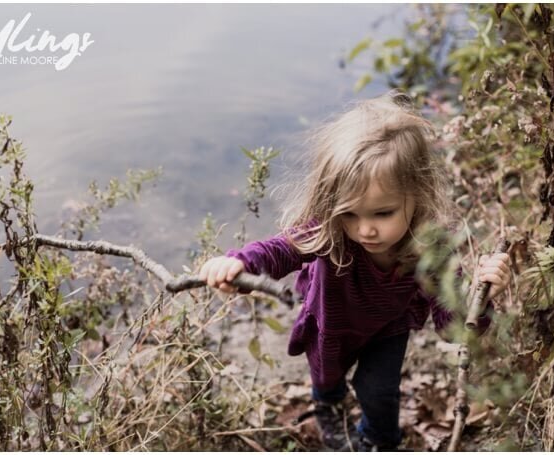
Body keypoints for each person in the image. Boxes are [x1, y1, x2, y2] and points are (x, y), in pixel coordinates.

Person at [196, 92, 511, 450]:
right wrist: (239, 263)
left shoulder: (431, 250)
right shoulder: (328, 230)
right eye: (350, 213)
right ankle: (327, 405)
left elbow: (453, 330)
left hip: (388, 329)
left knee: (379, 391)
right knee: (326, 377)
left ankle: (380, 441)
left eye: (382, 213)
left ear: (418, 196)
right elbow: (279, 250)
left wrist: (481, 298)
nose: (364, 230)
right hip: (330, 322)